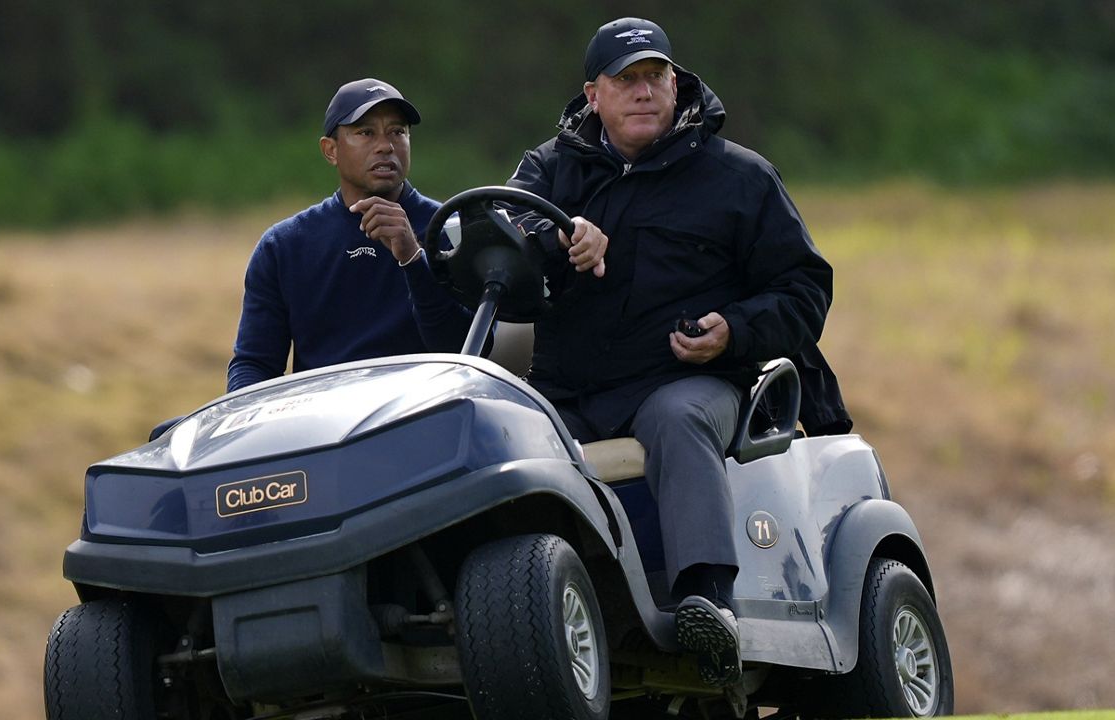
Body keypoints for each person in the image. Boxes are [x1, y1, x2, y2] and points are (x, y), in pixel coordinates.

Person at [506, 18, 850, 686]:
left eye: (654, 78)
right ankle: (521, 612)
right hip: (570, 393)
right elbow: (494, 240)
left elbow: (806, 287)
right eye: (626, 81)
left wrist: (735, 329)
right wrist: (557, 240)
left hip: (689, 380)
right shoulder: (546, 169)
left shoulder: (740, 178)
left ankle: (706, 602)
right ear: (593, 95)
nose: (643, 93)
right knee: (503, 441)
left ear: (675, 84)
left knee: (676, 419)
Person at [227, 78, 470, 392]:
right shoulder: (285, 246)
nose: (386, 145)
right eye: (366, 132)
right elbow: (255, 364)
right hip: (322, 425)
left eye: (397, 131)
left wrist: (413, 257)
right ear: (331, 150)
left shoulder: (453, 230)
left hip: (426, 416)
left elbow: (468, 355)